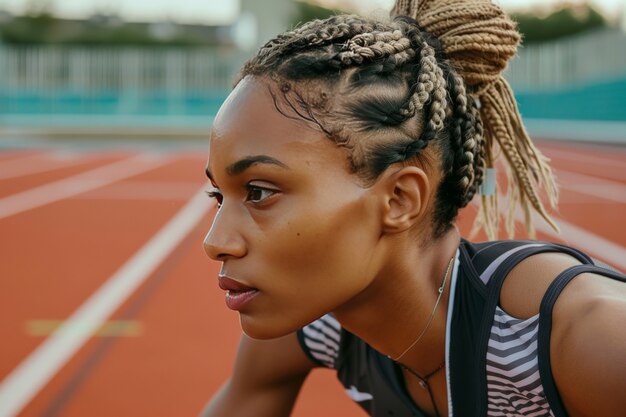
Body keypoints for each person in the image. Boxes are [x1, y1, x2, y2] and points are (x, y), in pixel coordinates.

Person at [200, 0, 626, 416]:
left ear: (399, 199)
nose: (214, 242)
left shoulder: (582, 340)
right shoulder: (314, 320)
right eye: (218, 195)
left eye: (258, 192)